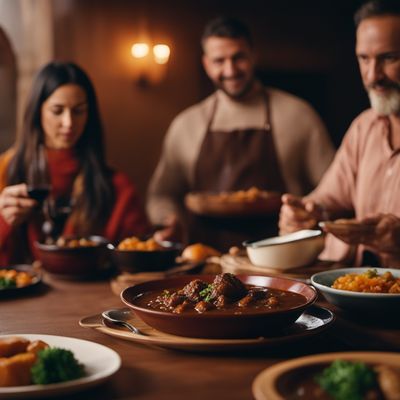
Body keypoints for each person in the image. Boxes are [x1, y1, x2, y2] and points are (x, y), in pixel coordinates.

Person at [147, 17, 334, 251]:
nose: (230, 70)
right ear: (206, 64)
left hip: (281, 261)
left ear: (253, 55)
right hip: (206, 264)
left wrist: (306, 212)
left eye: (239, 57)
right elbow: (162, 193)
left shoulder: (298, 115)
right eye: (219, 61)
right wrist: (170, 220)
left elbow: (334, 191)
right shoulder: (186, 124)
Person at [279, 0, 400, 267]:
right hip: (359, 294)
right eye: (364, 58)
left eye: (389, 58)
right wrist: (305, 213)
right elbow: (328, 199)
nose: (372, 76)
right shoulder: (364, 127)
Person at [0, 61, 149, 265]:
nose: (69, 123)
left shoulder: (117, 187)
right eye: (57, 110)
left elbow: (141, 255)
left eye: (78, 111)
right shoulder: (5, 173)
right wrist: (3, 222)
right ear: (37, 112)